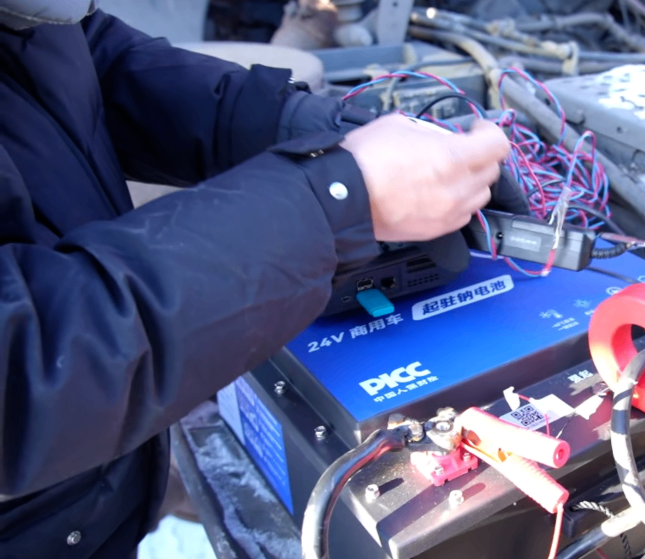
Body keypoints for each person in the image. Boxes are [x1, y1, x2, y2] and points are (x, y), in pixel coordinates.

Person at [0, 2, 511, 558]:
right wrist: (333, 199)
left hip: (106, 482)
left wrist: (314, 132)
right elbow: (23, 369)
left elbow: (83, 63)